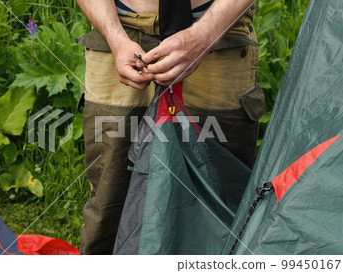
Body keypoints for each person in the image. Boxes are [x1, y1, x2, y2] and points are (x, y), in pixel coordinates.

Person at [75, 0, 265, 254]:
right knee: (109, 204)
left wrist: (204, 34)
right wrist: (115, 37)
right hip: (119, 30)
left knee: (221, 203)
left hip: (220, 29)